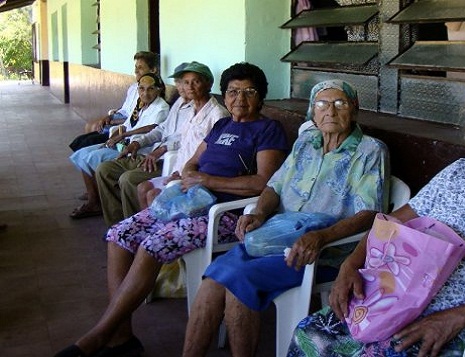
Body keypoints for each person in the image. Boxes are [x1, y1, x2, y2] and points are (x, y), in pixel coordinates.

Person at [287, 86, 465, 357]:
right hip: (401, 297)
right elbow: (391, 224)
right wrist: (351, 264)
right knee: (309, 334)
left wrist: (455, 318)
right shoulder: (459, 173)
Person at [53, 62, 289, 357]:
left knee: (152, 244)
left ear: (261, 96)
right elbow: (193, 160)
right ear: (225, 95)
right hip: (189, 201)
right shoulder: (222, 125)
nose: (239, 99)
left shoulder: (268, 129)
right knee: (119, 235)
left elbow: (263, 182)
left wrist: (207, 179)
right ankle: (122, 336)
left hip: (224, 213)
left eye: (248, 92)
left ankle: (100, 335)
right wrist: (188, 173)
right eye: (232, 92)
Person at [181, 80, 390, 357]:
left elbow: (369, 213)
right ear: (312, 112)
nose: (330, 111)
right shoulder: (305, 143)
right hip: (274, 237)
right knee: (212, 281)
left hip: (321, 250)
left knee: (237, 285)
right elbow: (274, 186)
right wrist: (258, 212)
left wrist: (321, 236)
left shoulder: (371, 151)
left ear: (354, 109)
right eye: (322, 104)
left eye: (339, 103)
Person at [95, 61, 229, 226]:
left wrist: (168, 157)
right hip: (169, 160)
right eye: (183, 82)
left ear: (208, 84)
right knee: (106, 170)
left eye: (195, 81)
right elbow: (166, 130)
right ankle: (120, 225)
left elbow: (206, 152)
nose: (187, 87)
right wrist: (138, 143)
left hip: (181, 166)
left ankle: (139, 228)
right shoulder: (186, 105)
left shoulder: (217, 115)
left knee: (131, 181)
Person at [68, 73, 169, 219]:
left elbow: (153, 128)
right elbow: (127, 124)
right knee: (81, 153)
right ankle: (96, 198)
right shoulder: (140, 105)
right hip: (123, 145)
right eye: (141, 89)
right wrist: (114, 137)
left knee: (93, 158)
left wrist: (124, 136)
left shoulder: (161, 107)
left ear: (158, 90)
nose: (145, 93)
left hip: (138, 150)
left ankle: (99, 202)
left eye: (150, 89)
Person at [68, 51, 160, 153]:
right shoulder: (134, 87)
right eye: (136, 67)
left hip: (125, 126)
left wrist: (113, 122)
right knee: (83, 136)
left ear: (153, 70)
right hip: (121, 120)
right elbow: (125, 108)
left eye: (140, 68)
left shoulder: (151, 95)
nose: (136, 71)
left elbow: (136, 119)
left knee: (89, 139)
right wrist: (110, 116)